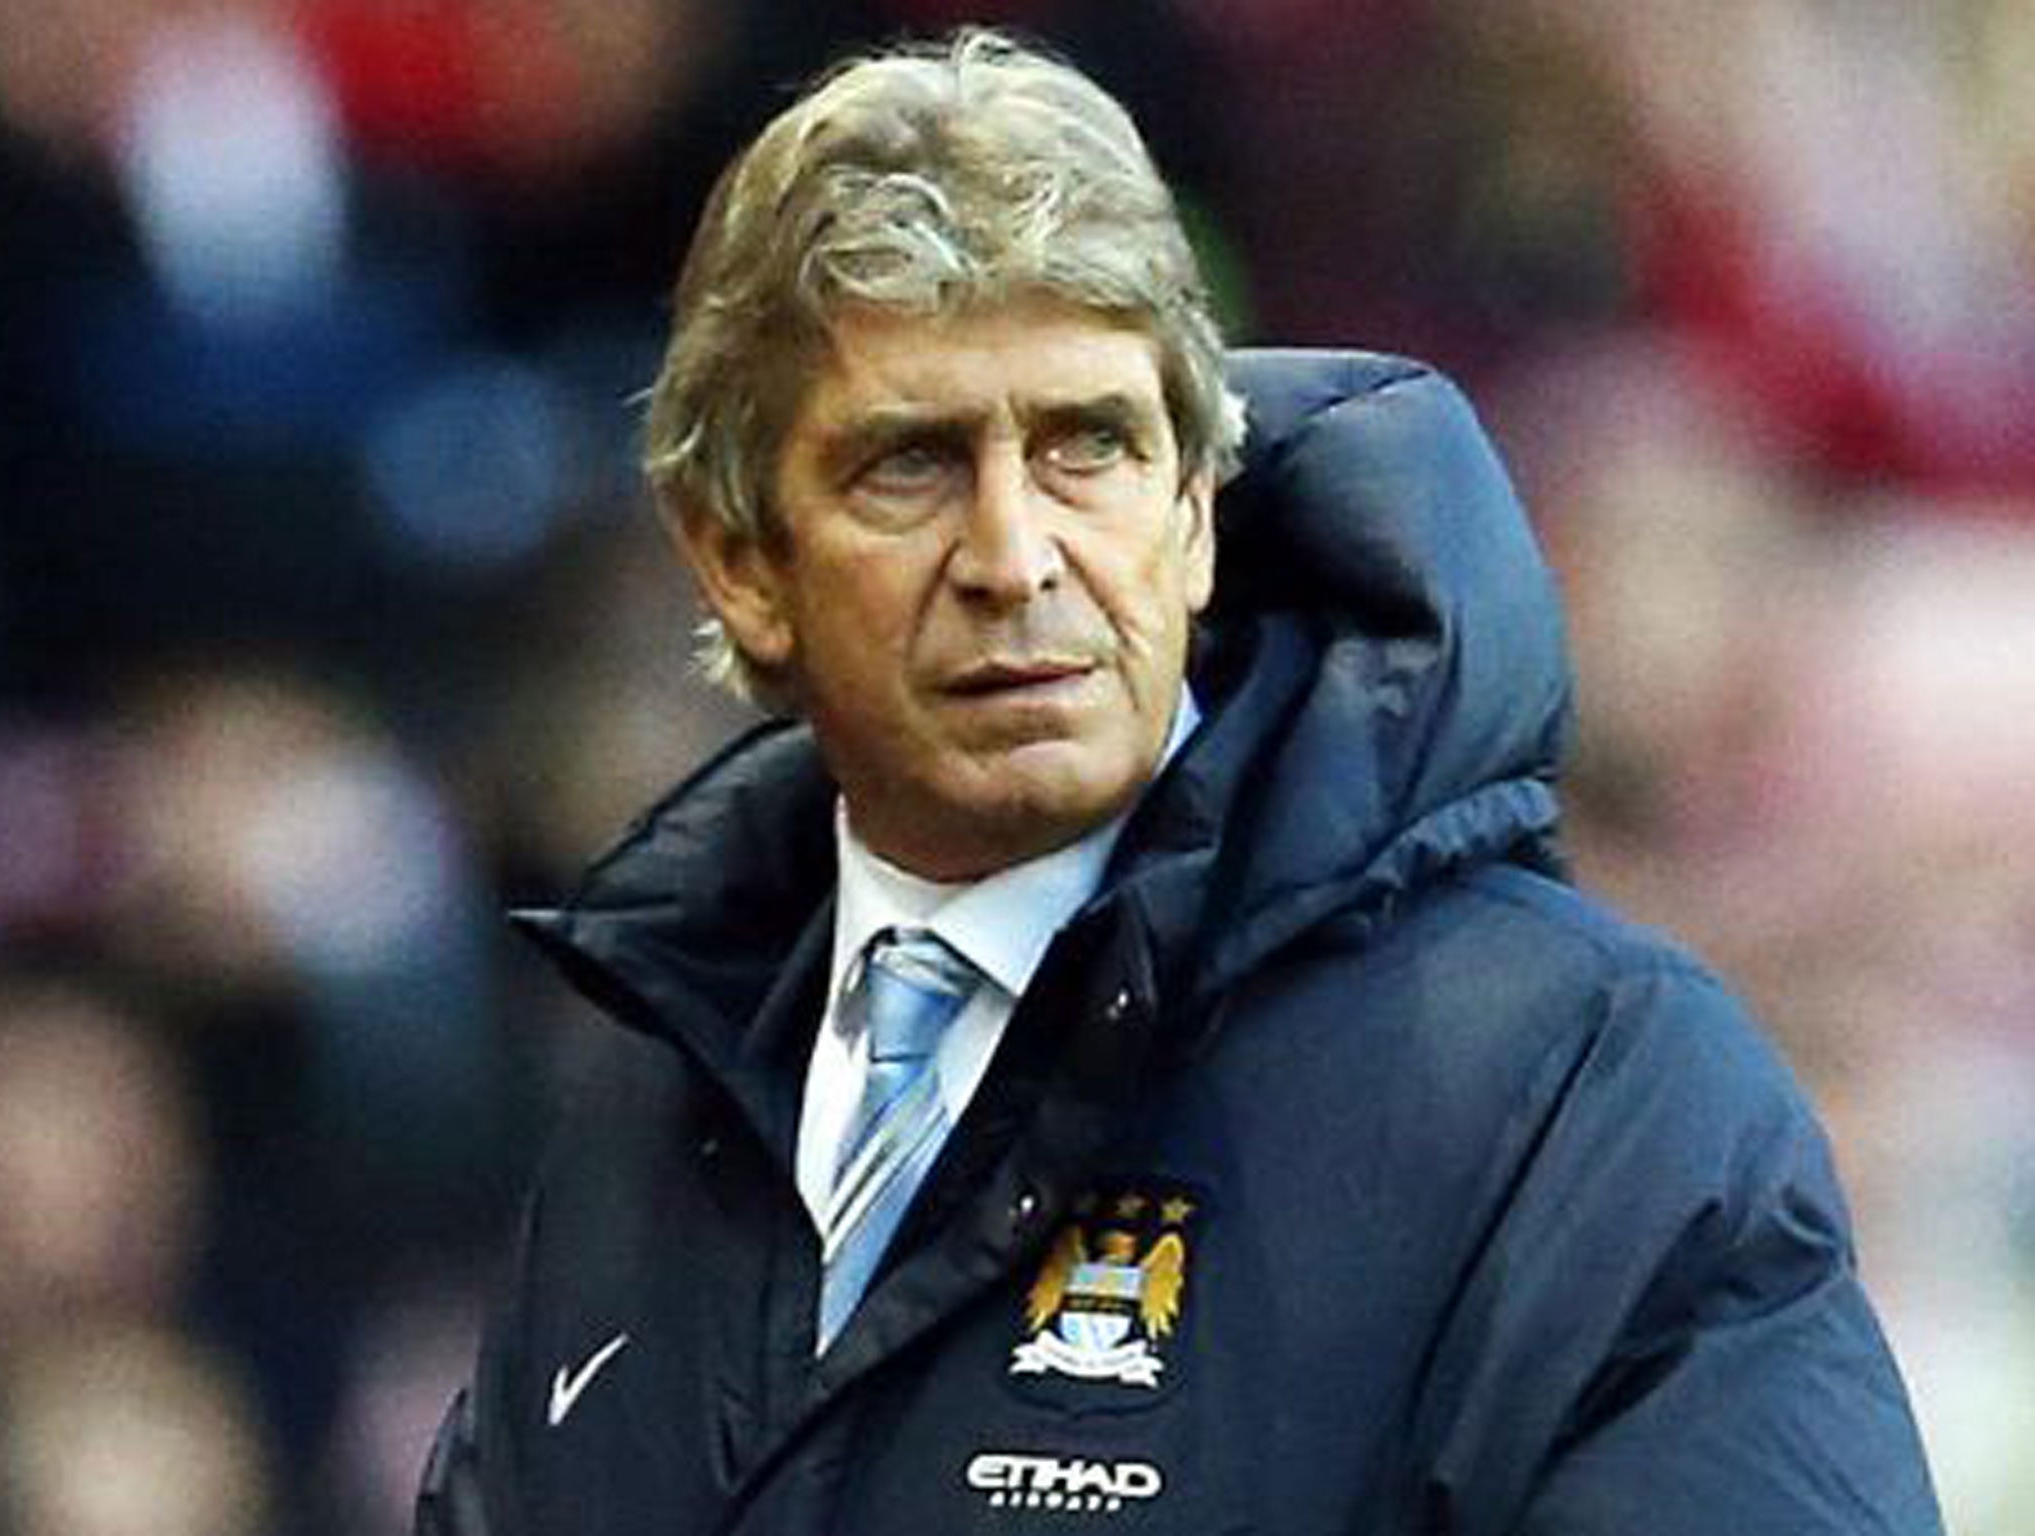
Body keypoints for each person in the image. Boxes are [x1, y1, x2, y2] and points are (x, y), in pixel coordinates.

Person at [417, 29, 1942, 1536]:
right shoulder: (652, 1099)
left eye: (1089, 447)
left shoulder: (1586, 1096)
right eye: (912, 464)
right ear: (741, 560)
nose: (1017, 559)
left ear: (1197, 513)